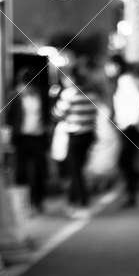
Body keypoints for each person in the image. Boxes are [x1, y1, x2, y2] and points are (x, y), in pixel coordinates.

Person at [54, 62, 99, 214]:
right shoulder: (91, 94)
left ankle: (81, 199)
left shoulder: (69, 94)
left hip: (74, 135)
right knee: (79, 167)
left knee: (75, 169)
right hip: (89, 135)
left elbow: (57, 113)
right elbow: (95, 114)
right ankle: (74, 199)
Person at [111, 56, 139, 208]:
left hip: (131, 127)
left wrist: (131, 122)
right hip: (129, 126)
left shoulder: (125, 80)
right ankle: (138, 187)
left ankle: (136, 189)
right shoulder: (124, 81)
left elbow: (138, 100)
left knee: (125, 161)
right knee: (130, 161)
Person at [9, 70, 47, 209]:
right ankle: (22, 204)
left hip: (38, 136)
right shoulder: (15, 96)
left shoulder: (40, 95)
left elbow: (46, 114)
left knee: (39, 170)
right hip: (21, 138)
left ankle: (38, 201)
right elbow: (9, 118)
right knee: (21, 171)